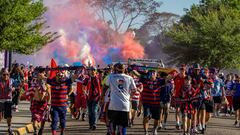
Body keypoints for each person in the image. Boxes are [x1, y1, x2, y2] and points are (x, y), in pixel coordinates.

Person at [106, 63, 136, 135]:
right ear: (124, 69)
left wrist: (101, 98)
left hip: (113, 105)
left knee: (112, 125)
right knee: (122, 127)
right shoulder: (129, 78)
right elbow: (134, 90)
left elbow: (105, 87)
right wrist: (130, 97)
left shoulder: (110, 77)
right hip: (124, 106)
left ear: (116, 69)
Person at [47, 70, 75, 135]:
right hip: (54, 106)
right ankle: (54, 132)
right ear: (56, 75)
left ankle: (62, 131)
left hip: (63, 105)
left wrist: (67, 95)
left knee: (62, 121)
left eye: (61, 75)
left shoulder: (66, 81)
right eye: (58, 75)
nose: (60, 76)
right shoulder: (52, 81)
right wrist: (45, 72)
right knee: (54, 120)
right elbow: (44, 78)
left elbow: (74, 79)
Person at [28, 68, 50, 135]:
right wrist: (31, 102)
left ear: (44, 73)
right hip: (35, 102)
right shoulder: (34, 82)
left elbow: (49, 95)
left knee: (43, 119)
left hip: (44, 103)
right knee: (35, 117)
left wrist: (48, 104)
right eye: (38, 73)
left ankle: (41, 129)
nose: (40, 74)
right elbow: (31, 93)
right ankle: (35, 131)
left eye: (42, 73)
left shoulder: (47, 82)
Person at [140, 70, 161, 135]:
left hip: (156, 103)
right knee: (146, 117)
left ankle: (154, 129)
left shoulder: (159, 81)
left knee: (157, 119)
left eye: (154, 73)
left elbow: (169, 78)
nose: (152, 75)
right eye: (151, 73)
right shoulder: (145, 80)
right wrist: (144, 72)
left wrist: (172, 72)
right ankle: (146, 132)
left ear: (156, 74)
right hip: (147, 103)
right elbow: (134, 72)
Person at [0, 68, 14, 135]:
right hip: (0, 100)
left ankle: (9, 128)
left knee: (9, 116)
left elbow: (14, 87)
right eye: (4, 74)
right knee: (0, 116)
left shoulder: (10, 80)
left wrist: (13, 88)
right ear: (1, 75)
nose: (6, 76)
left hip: (8, 100)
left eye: (7, 74)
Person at [173, 64, 187, 130]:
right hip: (177, 96)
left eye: (183, 70)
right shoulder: (176, 77)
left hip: (185, 97)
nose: (182, 71)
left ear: (185, 70)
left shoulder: (187, 78)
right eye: (181, 69)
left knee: (183, 111)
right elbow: (174, 85)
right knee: (177, 110)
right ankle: (177, 123)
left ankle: (182, 122)